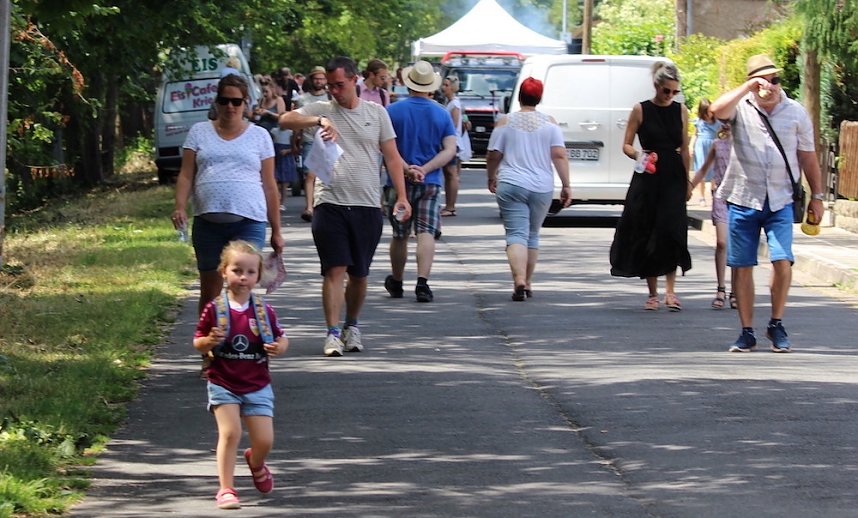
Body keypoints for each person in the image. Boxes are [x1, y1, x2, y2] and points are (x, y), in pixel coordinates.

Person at [278, 56, 411, 357]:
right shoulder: (322, 109)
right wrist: (317, 121)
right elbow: (284, 119)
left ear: (355, 81)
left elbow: (391, 156)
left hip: (366, 204)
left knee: (360, 274)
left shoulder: (376, 113)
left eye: (340, 85)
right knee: (334, 269)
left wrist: (401, 196)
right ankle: (332, 332)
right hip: (330, 203)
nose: (334, 91)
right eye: (330, 86)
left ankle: (352, 325)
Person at [711, 54, 825, 353]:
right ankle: (746, 331)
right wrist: (746, 88)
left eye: (775, 80)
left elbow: (808, 157)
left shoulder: (796, 112)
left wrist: (818, 196)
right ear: (752, 83)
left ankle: (776, 323)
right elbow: (716, 110)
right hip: (743, 197)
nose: (771, 86)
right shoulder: (740, 108)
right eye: (763, 81)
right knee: (743, 265)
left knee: (782, 260)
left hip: (781, 199)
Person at [172, 74, 285, 315]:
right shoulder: (199, 132)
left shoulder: (259, 136)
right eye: (224, 101)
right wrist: (180, 206)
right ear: (216, 103)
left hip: (248, 222)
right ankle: (209, 344)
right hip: (208, 223)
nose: (230, 107)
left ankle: (243, 343)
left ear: (246, 103)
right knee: (210, 289)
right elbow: (186, 175)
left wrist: (276, 230)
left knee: (242, 287)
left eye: (236, 102)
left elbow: (269, 185)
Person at [193, 240, 289, 510]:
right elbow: (197, 342)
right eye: (237, 270)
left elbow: (282, 339)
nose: (243, 277)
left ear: (258, 276)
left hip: (257, 384)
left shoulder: (263, 310)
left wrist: (278, 347)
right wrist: (209, 341)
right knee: (230, 433)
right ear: (224, 272)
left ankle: (256, 462)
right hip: (223, 382)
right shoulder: (215, 309)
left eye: (250, 272)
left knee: (264, 440)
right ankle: (226, 489)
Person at [609, 61, 692, 311]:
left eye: (675, 92)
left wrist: (688, 180)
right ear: (657, 86)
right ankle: (653, 293)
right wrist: (639, 156)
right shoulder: (641, 109)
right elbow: (626, 144)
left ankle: (671, 291)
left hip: (673, 176)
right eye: (667, 91)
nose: (670, 96)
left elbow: (686, 149)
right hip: (648, 175)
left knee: (672, 231)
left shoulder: (681, 111)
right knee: (649, 231)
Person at [486, 77, 572, 301]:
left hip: (512, 183)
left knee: (516, 234)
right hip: (541, 186)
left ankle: (519, 280)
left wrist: (491, 176)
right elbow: (559, 155)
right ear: (539, 98)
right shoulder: (551, 124)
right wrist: (566, 185)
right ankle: (529, 281)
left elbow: (493, 154)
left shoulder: (504, 122)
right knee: (532, 235)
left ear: (520, 96)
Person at [383, 61, 457, 302]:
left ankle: (397, 280)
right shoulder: (441, 114)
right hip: (430, 181)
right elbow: (449, 150)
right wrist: (424, 169)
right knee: (426, 232)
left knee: (400, 234)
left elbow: (385, 147)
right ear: (431, 86)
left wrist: (406, 169)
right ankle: (422, 282)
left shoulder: (392, 112)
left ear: (408, 83)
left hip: (398, 181)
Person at [689, 123, 736, 309]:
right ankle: (721, 288)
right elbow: (703, 168)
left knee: (736, 245)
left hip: (741, 198)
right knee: (722, 242)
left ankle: (735, 291)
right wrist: (690, 187)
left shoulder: (747, 145)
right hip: (721, 197)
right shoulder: (717, 144)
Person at [295, 66, 331, 222]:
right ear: (311, 80)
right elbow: (296, 120)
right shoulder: (303, 99)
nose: (319, 81)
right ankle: (309, 207)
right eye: (316, 78)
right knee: (310, 174)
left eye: (322, 78)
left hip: (328, 139)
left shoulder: (330, 98)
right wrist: (295, 139)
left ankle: (324, 205)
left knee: (327, 175)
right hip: (310, 139)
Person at [441, 75, 465, 217]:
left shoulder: (454, 104)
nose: (444, 88)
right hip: (450, 142)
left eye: (446, 85)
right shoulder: (450, 103)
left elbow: (453, 125)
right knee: (449, 174)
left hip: (452, 142)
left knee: (451, 173)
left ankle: (451, 206)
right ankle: (449, 205)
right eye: (443, 85)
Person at [690, 99, 721, 205]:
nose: (710, 113)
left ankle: (714, 194)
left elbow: (721, 134)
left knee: (714, 171)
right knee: (700, 169)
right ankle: (702, 197)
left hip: (713, 145)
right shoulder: (699, 122)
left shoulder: (717, 122)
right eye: (708, 111)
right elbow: (695, 135)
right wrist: (691, 146)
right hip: (701, 146)